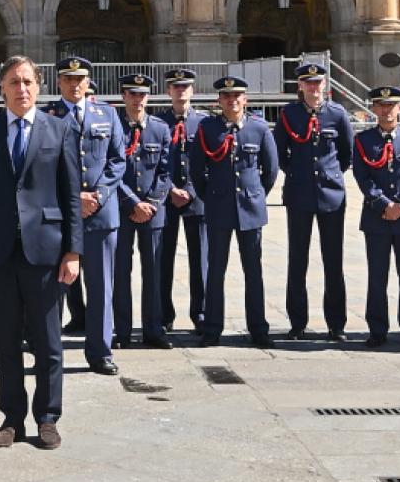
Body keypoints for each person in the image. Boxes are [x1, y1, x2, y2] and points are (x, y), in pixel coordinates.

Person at [0, 55, 82, 450]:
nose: (22, 89)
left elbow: (70, 194)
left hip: (46, 251)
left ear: (39, 85)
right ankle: (12, 419)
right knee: (7, 341)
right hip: (0, 252)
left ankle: (47, 417)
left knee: (49, 341)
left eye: (28, 81)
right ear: (1, 88)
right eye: (14, 82)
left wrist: (73, 251)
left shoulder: (59, 129)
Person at [173, 76, 279, 348]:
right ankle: (212, 328)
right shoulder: (209, 128)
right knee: (215, 270)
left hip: (250, 209)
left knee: (253, 271)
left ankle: (258, 328)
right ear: (219, 101)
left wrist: (256, 196)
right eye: (226, 97)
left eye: (237, 96)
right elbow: (197, 170)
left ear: (245, 100)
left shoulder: (258, 129)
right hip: (218, 208)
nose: (232, 101)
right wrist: (211, 197)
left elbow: (270, 170)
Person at [50, 55, 125, 376]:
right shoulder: (47, 117)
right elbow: (42, 166)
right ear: (58, 82)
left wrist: (99, 194)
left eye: (80, 78)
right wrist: (73, 198)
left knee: (101, 285)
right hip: (63, 216)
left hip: (100, 213)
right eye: (68, 79)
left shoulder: (106, 114)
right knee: (55, 286)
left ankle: (100, 352)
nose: (74, 84)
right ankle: (50, 352)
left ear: (88, 81)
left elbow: (118, 160)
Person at [273, 62, 353, 343]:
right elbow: (278, 153)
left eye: (317, 83)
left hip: (331, 194)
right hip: (299, 193)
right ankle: (297, 322)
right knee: (298, 259)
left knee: (333, 261)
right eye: (308, 83)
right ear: (300, 87)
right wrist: (296, 174)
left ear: (324, 85)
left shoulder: (337, 114)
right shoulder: (289, 114)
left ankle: (336, 324)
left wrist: (330, 176)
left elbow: (346, 153)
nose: (313, 87)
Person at [350, 87, 400, 349]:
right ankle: (377, 329)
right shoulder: (363, 141)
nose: (386, 110)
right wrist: (383, 204)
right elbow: (363, 177)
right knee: (377, 276)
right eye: (380, 105)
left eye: (391, 105)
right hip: (376, 217)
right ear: (373, 108)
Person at [113, 73, 172, 348]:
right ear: (124, 96)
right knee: (120, 273)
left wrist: (151, 203)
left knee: (154, 273)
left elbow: (166, 170)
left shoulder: (160, 129)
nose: (137, 99)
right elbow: (110, 168)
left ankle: (153, 330)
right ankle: (122, 332)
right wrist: (132, 202)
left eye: (142, 94)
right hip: (122, 211)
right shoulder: (114, 127)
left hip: (153, 212)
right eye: (132, 94)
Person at [156, 69, 205, 335]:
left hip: (196, 200)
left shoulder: (204, 123)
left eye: (185, 87)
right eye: (175, 87)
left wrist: (192, 190)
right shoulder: (159, 123)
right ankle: (164, 314)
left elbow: (209, 163)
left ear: (192, 91)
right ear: (168, 92)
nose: (180, 91)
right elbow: (155, 165)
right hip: (166, 200)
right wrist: (172, 189)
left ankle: (201, 313)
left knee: (201, 260)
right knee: (164, 260)